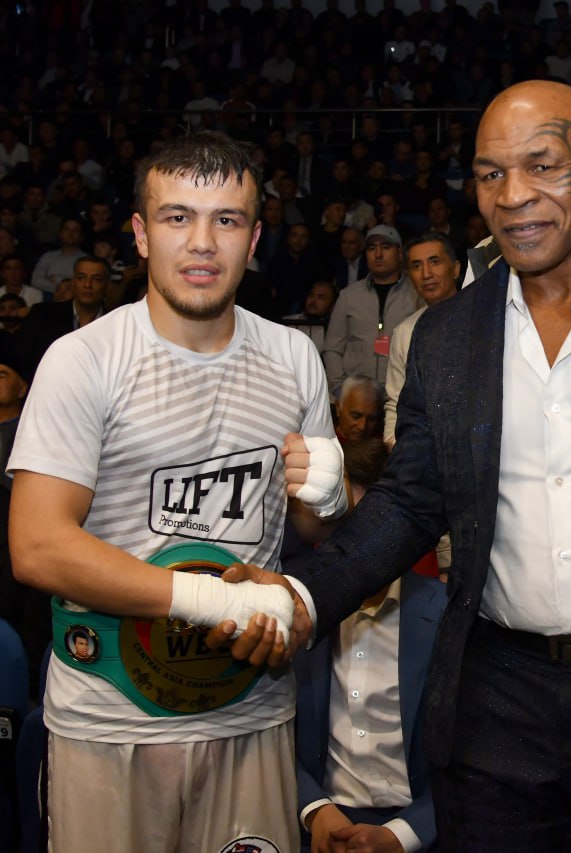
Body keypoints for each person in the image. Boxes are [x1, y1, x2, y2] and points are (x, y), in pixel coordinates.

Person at [224, 80, 571, 851]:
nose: (513, 194)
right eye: (491, 173)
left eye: (542, 164)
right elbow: (408, 501)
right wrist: (301, 594)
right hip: (495, 710)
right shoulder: (448, 335)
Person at [7, 131, 348, 853]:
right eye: (177, 217)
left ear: (254, 239)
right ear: (140, 233)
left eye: (226, 219)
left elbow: (313, 534)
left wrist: (326, 498)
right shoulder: (83, 360)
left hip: (251, 710)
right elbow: (37, 545)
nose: (202, 242)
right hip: (110, 717)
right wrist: (216, 601)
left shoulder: (293, 355)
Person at [293, 436, 445, 853]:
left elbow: (472, 754)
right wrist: (315, 809)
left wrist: (402, 835)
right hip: (318, 826)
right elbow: (273, 730)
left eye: (369, 528)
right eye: (341, 527)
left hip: (420, 830)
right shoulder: (298, 610)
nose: (354, 547)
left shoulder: (443, 616)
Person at [322, 224, 421, 394]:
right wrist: (340, 388)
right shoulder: (348, 296)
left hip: (402, 396)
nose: (378, 254)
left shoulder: (417, 294)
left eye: (386, 247)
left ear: (399, 253)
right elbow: (332, 348)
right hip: (356, 395)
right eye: (372, 248)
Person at [384, 233, 461, 443]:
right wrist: (394, 445)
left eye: (434, 262)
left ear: (455, 269)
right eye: (416, 266)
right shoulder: (405, 332)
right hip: (420, 449)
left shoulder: (482, 320)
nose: (426, 274)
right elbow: (396, 401)